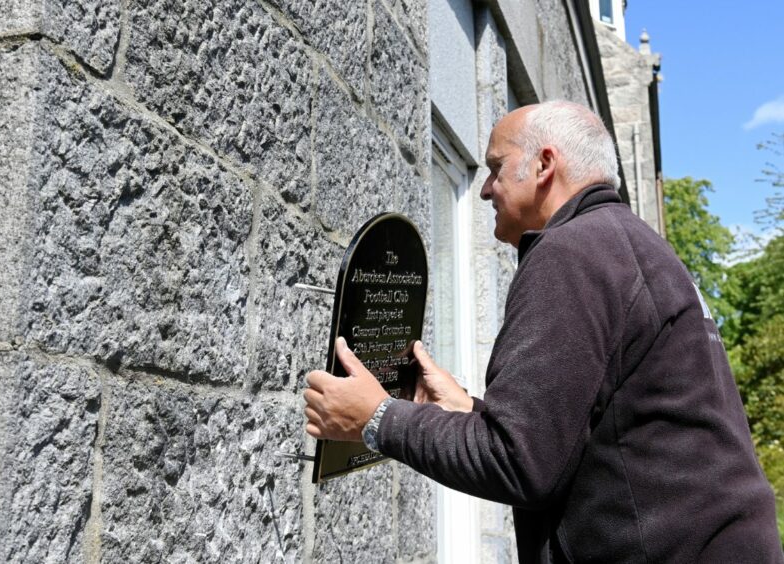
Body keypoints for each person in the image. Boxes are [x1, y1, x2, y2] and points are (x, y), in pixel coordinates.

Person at [303, 101, 783, 562]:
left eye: (495, 167)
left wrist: (377, 419)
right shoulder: (630, 245)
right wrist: (468, 411)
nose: (486, 189)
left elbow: (521, 464)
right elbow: (578, 433)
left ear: (544, 165)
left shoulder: (570, 253)